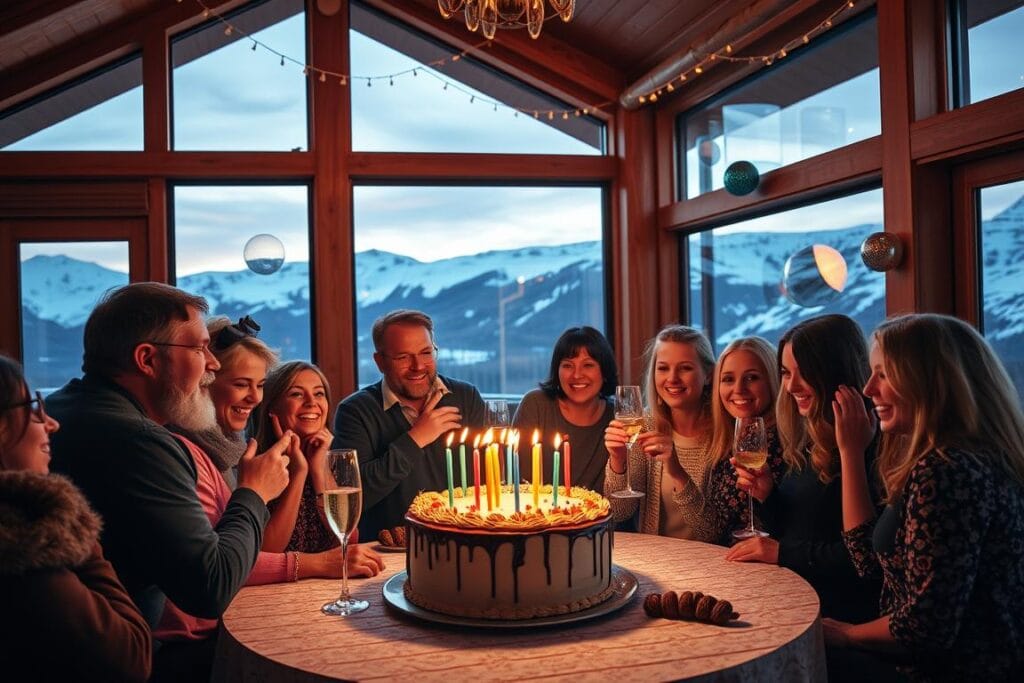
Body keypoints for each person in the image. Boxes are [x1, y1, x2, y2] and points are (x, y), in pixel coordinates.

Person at [46, 282, 292, 680]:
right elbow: (210, 589)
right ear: (147, 359)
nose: (212, 364)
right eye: (199, 348)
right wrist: (253, 492)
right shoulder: (142, 442)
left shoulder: (62, 407)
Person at [156, 319, 383, 645]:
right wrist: (299, 476)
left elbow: (345, 540)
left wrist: (317, 470)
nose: (252, 397)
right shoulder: (251, 463)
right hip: (201, 634)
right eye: (240, 384)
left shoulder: (229, 455)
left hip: (283, 606)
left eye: (259, 385)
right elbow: (245, 558)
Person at [823, 314, 1024, 680]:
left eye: (883, 374)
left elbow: (925, 628)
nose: (868, 389)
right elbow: (869, 561)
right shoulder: (967, 457)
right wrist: (850, 453)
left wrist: (847, 635)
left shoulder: (946, 472)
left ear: (930, 380)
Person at [0, 354, 151, 682]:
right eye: (33, 406)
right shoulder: (23, 549)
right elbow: (133, 655)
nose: (52, 423)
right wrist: (71, 518)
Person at [726, 314, 880, 624]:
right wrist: (768, 496)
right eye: (785, 372)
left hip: (838, 616)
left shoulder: (868, 441)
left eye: (804, 372)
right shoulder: (814, 434)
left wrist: (782, 554)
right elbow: (801, 528)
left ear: (835, 370)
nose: (791, 385)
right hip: (796, 595)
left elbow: (864, 559)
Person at [333, 309, 486, 540]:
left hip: (462, 541)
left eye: (426, 353)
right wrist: (416, 439)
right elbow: (353, 497)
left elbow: (488, 479)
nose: (418, 366)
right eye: (403, 357)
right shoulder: (355, 411)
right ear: (380, 361)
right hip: (387, 551)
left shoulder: (466, 397)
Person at [603, 325, 719, 539]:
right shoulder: (644, 424)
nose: (672, 378)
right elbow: (618, 512)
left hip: (710, 562)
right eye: (663, 368)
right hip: (658, 560)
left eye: (685, 368)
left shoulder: (724, 433)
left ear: (709, 375)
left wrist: (676, 471)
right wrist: (618, 461)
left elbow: (710, 532)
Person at [254, 360, 348, 553]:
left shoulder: (333, 458)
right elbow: (268, 551)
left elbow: (348, 536)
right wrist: (299, 472)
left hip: (323, 582)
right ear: (272, 407)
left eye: (319, 393)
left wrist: (318, 468)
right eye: (297, 394)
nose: (312, 402)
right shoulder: (257, 463)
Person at [701, 336, 786, 545]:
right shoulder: (724, 440)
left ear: (773, 381)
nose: (739, 389)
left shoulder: (786, 442)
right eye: (728, 379)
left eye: (752, 378)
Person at [512, 326, 618, 491]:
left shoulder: (618, 417)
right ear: (557, 370)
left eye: (588, 365)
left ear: (604, 372)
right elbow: (519, 483)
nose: (577, 375)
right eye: (568, 366)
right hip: (541, 515)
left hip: (602, 516)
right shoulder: (536, 405)